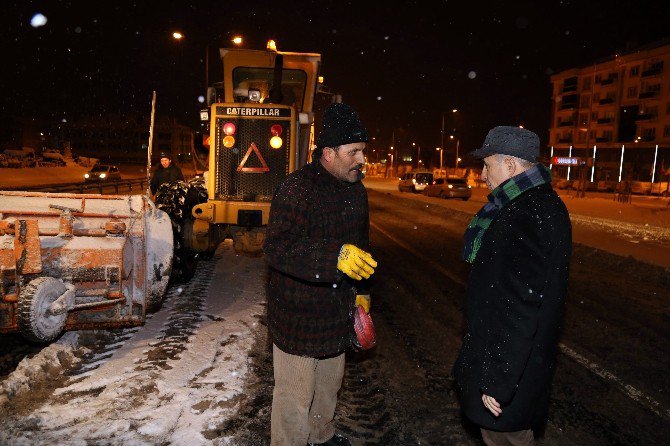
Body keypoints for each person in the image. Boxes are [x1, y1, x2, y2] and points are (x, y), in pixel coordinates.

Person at [264, 102, 377, 446]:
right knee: (294, 399)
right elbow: (278, 248)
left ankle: (321, 435)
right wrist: (333, 256)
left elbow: (361, 244)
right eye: (354, 151)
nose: (362, 159)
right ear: (328, 152)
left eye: (363, 151)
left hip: (336, 313)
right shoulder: (297, 188)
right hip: (298, 318)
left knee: (329, 387)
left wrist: (362, 292)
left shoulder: (357, 191)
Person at [453, 126, 572, 446]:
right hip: (520, 363)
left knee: (508, 438)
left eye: (487, 165)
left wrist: (499, 379)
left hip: (510, 368)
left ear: (509, 165)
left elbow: (518, 305)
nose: (481, 175)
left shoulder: (522, 214)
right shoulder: (540, 204)